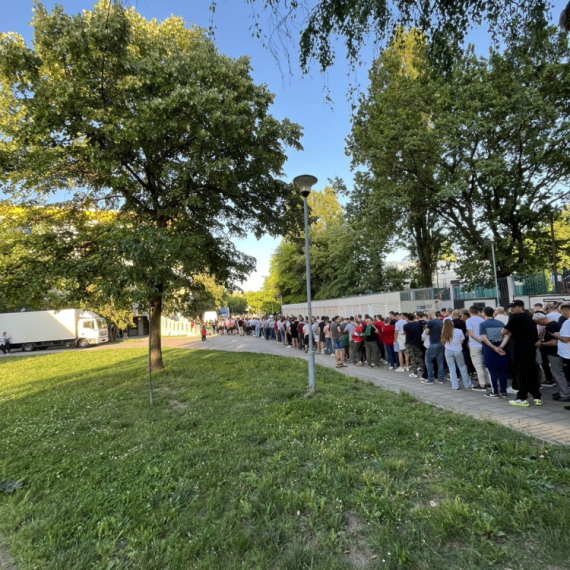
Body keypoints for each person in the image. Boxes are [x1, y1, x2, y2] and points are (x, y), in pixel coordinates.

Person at [502, 300, 542, 407]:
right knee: (531, 373)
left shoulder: (516, 317)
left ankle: (522, 398)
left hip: (519, 349)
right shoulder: (529, 316)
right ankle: (537, 396)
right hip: (531, 349)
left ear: (520, 307)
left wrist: (511, 332)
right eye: (510, 307)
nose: (511, 309)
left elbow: (504, 331)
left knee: (520, 374)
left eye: (513, 307)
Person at [534, 312, 570, 402]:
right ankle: (561, 391)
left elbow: (554, 342)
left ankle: (565, 393)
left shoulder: (552, 326)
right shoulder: (552, 325)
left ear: (541, 319)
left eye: (538, 322)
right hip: (555, 353)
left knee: (559, 374)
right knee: (557, 374)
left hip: (555, 354)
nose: (538, 324)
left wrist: (541, 344)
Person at [479, 307, 510, 398]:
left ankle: (494, 392)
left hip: (489, 348)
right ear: (493, 313)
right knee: (502, 370)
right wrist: (501, 346)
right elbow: (507, 336)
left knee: (491, 370)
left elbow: (484, 338)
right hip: (500, 345)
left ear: (484, 313)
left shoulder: (483, 324)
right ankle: (503, 391)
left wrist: (494, 347)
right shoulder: (500, 323)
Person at [441, 319, 471, 390]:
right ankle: (467, 384)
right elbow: (462, 341)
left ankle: (455, 385)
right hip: (458, 350)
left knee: (452, 368)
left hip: (448, 350)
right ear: (452, 324)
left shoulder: (444, 332)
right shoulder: (459, 331)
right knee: (462, 367)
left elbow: (443, 341)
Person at [466, 306, 490, 391]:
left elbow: (471, 334)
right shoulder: (482, 320)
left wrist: (479, 341)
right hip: (484, 345)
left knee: (478, 365)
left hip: (475, 345)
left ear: (470, 312)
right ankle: (487, 382)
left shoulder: (469, 321)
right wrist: (483, 342)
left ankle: (482, 384)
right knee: (484, 365)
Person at [552, 303, 570, 411]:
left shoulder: (568, 322)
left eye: (560, 311)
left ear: (564, 310)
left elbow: (566, 339)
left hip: (568, 354)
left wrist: (557, 335)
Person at [423, 311, 445, 385]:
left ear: (430, 314)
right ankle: (440, 379)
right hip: (441, 343)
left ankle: (430, 379)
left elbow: (426, 333)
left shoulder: (430, 322)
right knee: (440, 362)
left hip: (434, 343)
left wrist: (426, 329)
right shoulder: (440, 322)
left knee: (428, 361)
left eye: (428, 315)